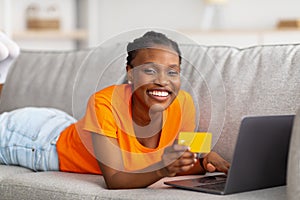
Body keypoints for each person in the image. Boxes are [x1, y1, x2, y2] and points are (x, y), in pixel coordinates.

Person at [0, 31, 230, 189]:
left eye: (172, 72)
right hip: (37, 142)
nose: (163, 81)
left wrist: (204, 161)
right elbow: (115, 180)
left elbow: (180, 160)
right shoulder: (104, 103)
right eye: (150, 70)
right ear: (130, 73)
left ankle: (4, 63)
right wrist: (162, 169)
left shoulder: (183, 103)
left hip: (65, 125)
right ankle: (4, 67)